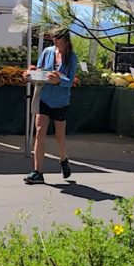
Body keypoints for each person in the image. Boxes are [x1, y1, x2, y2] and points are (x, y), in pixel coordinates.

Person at [24, 28, 78, 184]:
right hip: (44, 97)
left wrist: (59, 81)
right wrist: (31, 73)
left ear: (66, 39)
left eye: (57, 38)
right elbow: (40, 71)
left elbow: (70, 82)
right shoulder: (47, 52)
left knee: (59, 136)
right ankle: (37, 171)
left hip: (60, 101)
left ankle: (63, 159)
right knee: (40, 131)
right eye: (53, 37)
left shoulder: (71, 57)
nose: (54, 40)